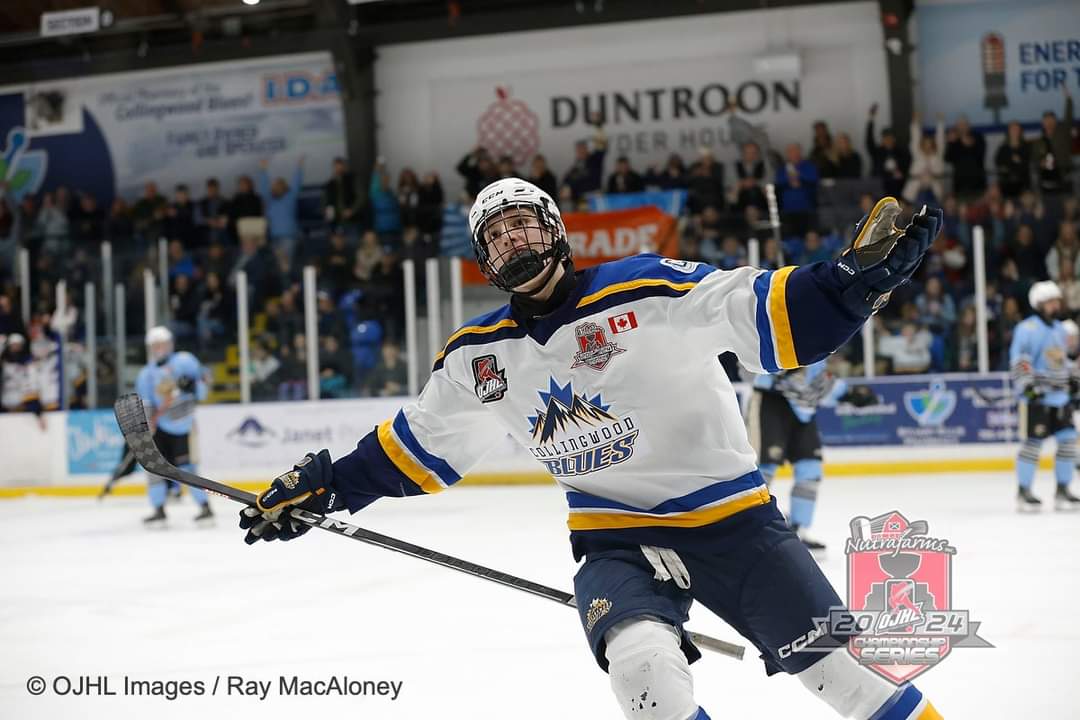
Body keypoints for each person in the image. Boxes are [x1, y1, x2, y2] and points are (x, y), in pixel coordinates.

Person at [237, 180, 943, 720]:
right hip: (615, 543)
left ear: (555, 232)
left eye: (522, 223)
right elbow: (411, 450)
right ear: (483, 258)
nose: (512, 240)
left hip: (736, 527)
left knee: (852, 681)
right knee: (643, 674)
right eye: (496, 235)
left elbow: (761, 310)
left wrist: (848, 287)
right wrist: (322, 487)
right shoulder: (480, 357)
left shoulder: (646, 288)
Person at [748, 360, 875, 552]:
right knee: (764, 467)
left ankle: (799, 530)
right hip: (771, 401)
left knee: (810, 469)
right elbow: (749, 360)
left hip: (804, 411)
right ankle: (750, 530)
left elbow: (815, 375)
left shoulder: (820, 338)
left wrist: (848, 394)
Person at [1010, 281, 1080, 511]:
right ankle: (1024, 492)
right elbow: (1020, 360)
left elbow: (1063, 362)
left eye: (1056, 300)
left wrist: (1073, 381)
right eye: (1050, 301)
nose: (1055, 305)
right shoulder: (1027, 329)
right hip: (1036, 399)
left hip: (1059, 399)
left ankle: (1062, 490)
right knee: (1033, 444)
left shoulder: (1060, 329)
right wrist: (1028, 387)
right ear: (1039, 304)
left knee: (1069, 440)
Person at [136, 326, 213, 527]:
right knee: (155, 469)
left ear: (170, 344)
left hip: (185, 426)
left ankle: (205, 508)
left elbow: (204, 385)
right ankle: (159, 510)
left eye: (163, 344)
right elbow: (146, 402)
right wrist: (147, 424)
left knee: (188, 469)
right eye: (155, 345)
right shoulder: (146, 374)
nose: (160, 348)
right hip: (160, 428)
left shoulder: (185, 361)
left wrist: (195, 385)